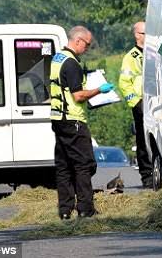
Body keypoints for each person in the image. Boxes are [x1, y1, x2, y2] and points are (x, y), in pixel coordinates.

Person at [50, 25, 114, 219]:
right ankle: (86, 208)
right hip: (73, 119)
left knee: (64, 166)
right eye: (87, 44)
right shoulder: (71, 63)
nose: (87, 48)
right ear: (78, 41)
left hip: (58, 119)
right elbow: (78, 96)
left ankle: (65, 210)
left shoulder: (57, 58)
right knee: (84, 165)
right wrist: (99, 90)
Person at [119, 21, 153, 188]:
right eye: (146, 33)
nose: (149, 36)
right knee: (143, 141)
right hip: (141, 104)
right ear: (137, 35)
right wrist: (136, 103)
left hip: (156, 103)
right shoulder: (131, 57)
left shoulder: (153, 53)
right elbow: (124, 83)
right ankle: (146, 176)